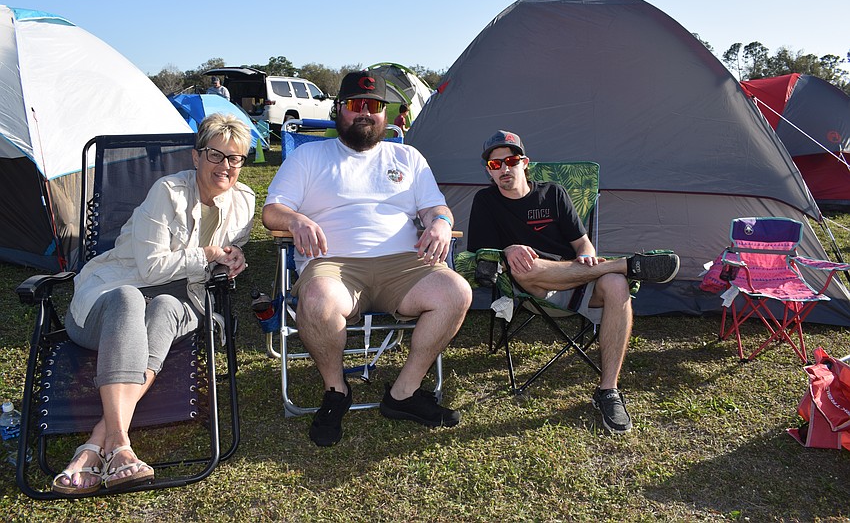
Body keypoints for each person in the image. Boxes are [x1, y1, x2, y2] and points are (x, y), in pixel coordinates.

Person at [262, 70, 472, 447]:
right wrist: (296, 220)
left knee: (456, 292)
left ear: (385, 114)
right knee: (318, 300)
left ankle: (404, 394)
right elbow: (272, 211)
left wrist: (441, 223)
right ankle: (336, 391)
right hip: (334, 263)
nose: (365, 113)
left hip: (404, 263)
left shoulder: (407, 156)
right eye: (356, 104)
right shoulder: (309, 156)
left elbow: (435, 207)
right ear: (338, 109)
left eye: (374, 106)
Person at [51, 113, 255, 495]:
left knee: (163, 307)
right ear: (196, 156)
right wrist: (208, 254)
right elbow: (150, 267)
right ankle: (119, 444)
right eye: (215, 154)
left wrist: (234, 257)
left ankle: (98, 444)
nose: (225, 166)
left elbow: (230, 249)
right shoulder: (168, 192)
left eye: (235, 158)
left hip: (182, 302)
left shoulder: (244, 201)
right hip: (109, 299)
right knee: (131, 298)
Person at [467, 130, 680, 435]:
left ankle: (608, 391)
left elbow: (582, 244)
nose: (503, 169)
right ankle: (627, 265)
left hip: (578, 282)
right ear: (489, 170)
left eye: (510, 161)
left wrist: (588, 257)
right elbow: (482, 255)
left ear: (524, 163)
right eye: (494, 164)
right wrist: (508, 249)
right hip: (536, 290)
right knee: (525, 267)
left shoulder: (553, 193)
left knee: (617, 285)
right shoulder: (486, 201)